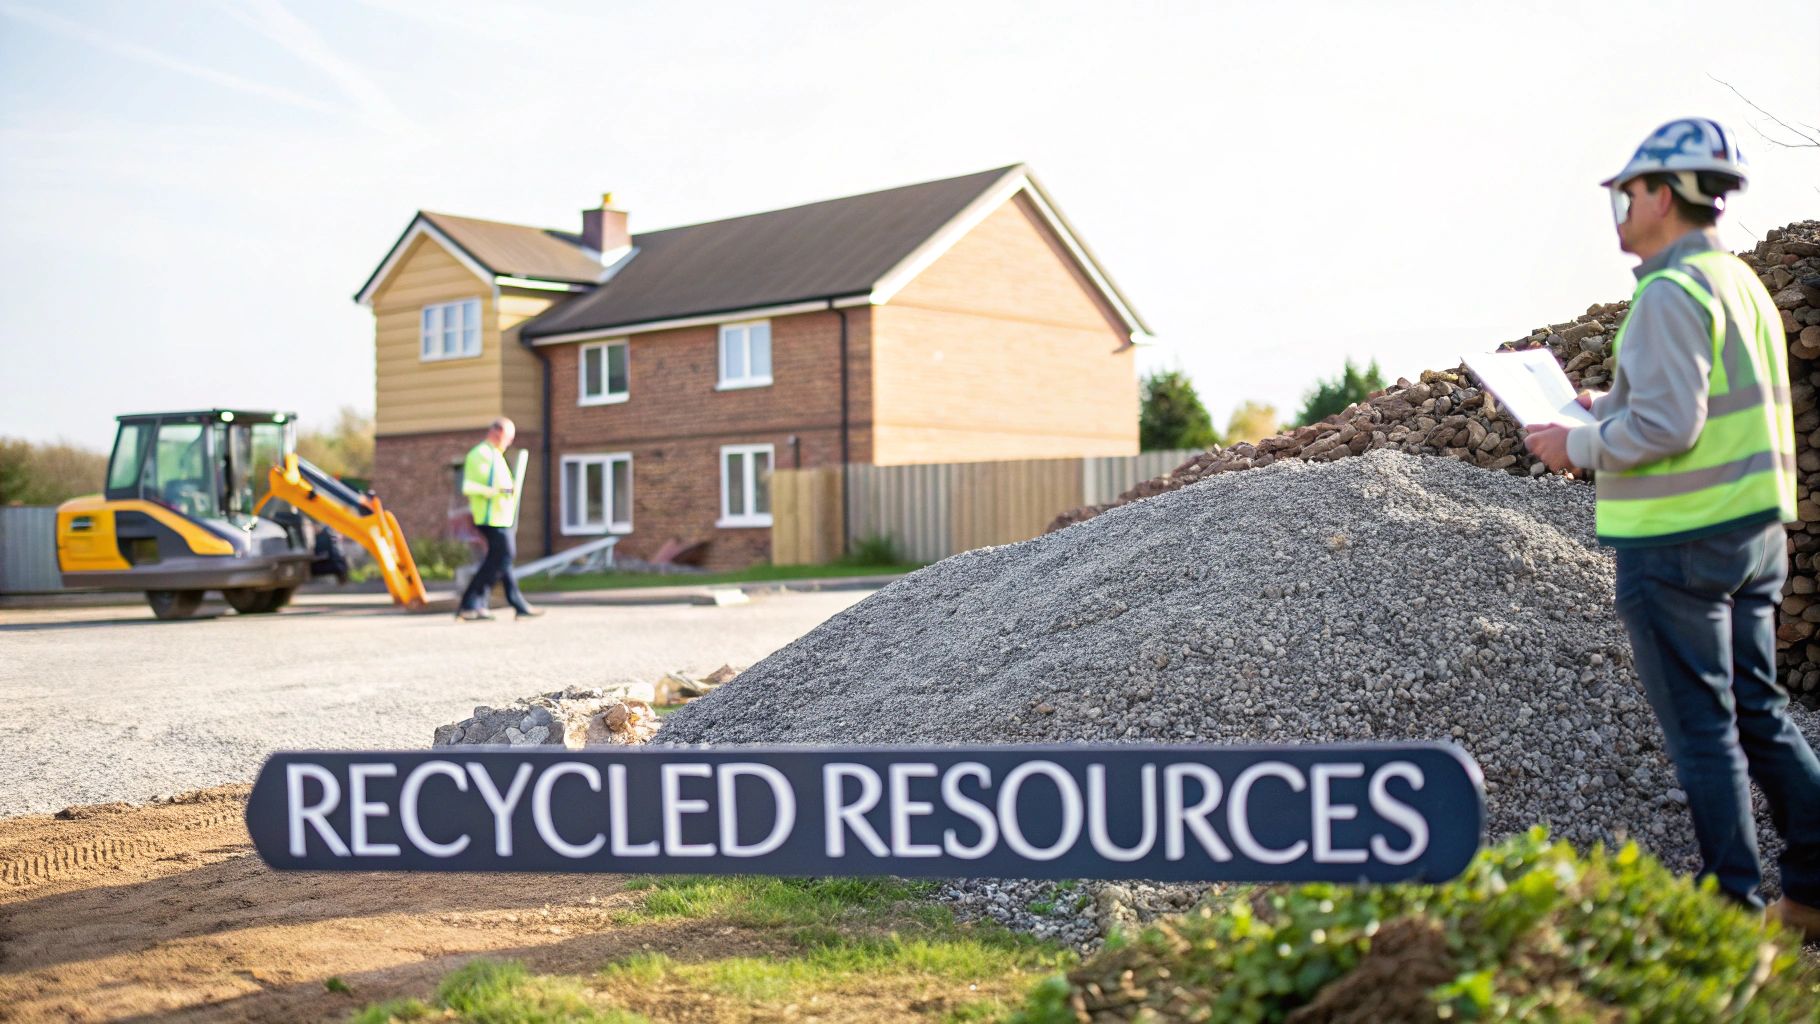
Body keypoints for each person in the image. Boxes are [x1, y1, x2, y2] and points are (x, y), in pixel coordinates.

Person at [1524, 118, 1819, 940]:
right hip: (1752, 537)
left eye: (1627, 193)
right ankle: (1813, 883)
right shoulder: (1738, 284)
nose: (1619, 209)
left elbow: (1672, 426)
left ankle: (1731, 913)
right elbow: (1693, 402)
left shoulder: (1666, 291)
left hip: (1680, 541)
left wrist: (1574, 442)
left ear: (1663, 194)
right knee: (1758, 711)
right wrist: (1604, 407)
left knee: (1703, 730)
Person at [456, 417, 541, 621]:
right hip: (490, 518)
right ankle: (470, 603)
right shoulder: (481, 454)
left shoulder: (496, 455)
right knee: (503, 557)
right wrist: (496, 491)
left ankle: (511, 604)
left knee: (502, 561)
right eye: (508, 437)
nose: (510, 442)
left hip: (502, 517)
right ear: (496, 432)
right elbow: (468, 486)